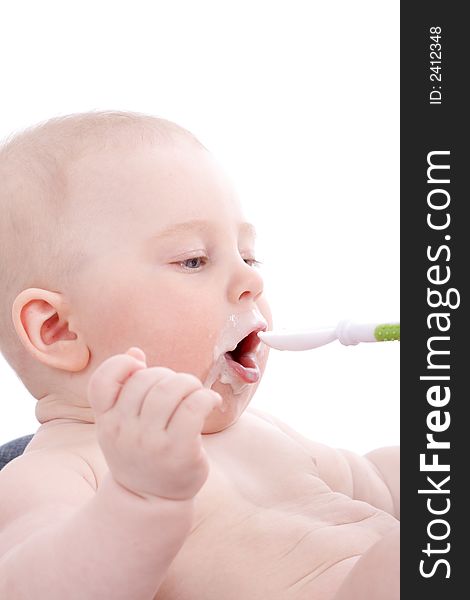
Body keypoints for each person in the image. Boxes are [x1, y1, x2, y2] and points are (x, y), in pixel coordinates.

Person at [0, 111, 399, 599]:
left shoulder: (265, 434)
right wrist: (139, 500)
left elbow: (379, 482)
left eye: (248, 257)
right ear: (58, 329)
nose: (252, 280)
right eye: (193, 260)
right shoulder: (62, 470)